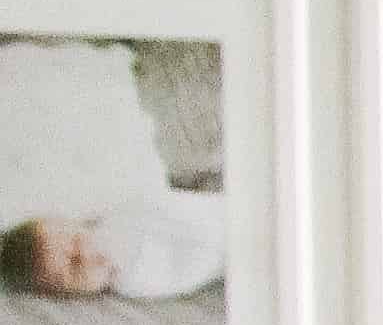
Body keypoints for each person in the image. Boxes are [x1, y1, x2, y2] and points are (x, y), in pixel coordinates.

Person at [0, 37, 223, 304]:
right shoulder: (134, 282)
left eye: (77, 240)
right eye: (73, 267)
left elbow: (181, 214)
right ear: (63, 292)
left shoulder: (119, 222)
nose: (87, 254)